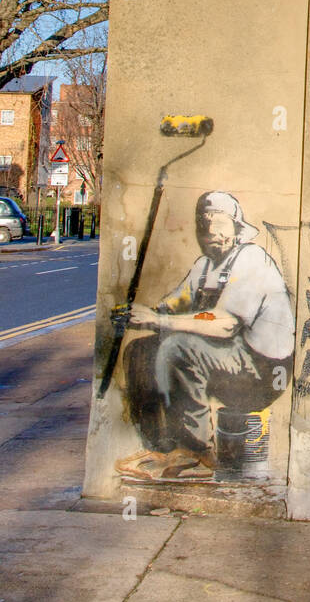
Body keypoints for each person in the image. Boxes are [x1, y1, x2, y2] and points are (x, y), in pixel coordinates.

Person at [114, 190, 295, 482]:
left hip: (263, 369)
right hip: (227, 358)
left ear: (237, 228)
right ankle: (161, 447)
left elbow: (225, 324)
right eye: (203, 222)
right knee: (139, 350)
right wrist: (136, 313)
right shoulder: (203, 267)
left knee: (177, 348)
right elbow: (170, 306)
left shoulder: (251, 259)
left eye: (218, 222)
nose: (209, 229)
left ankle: (195, 451)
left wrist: (159, 321)